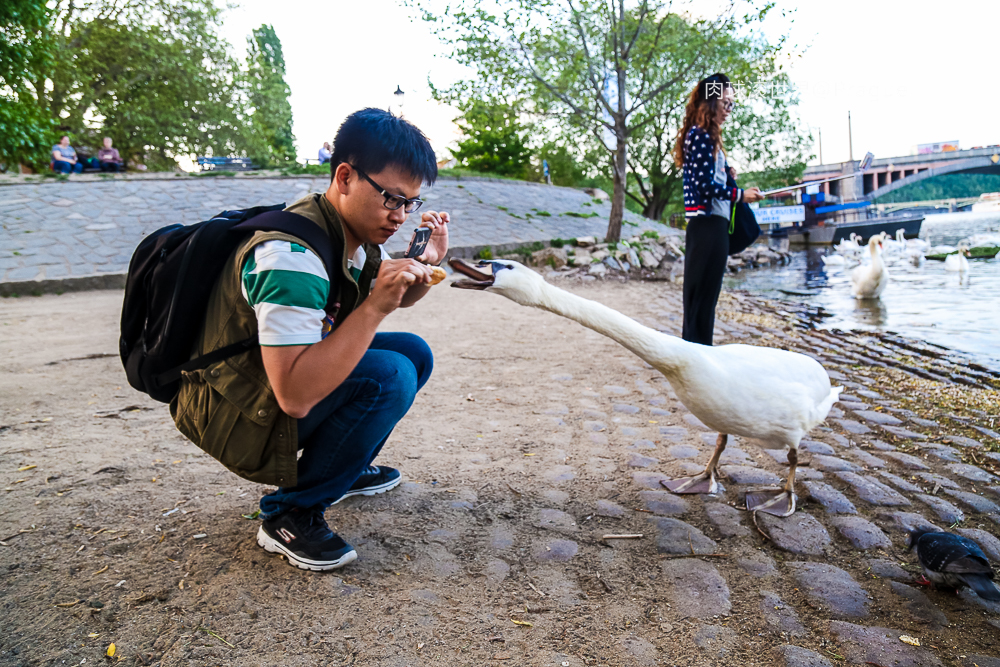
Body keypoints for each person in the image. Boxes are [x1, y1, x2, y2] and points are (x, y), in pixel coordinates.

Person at [170, 108, 449, 571]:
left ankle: (343, 467)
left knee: (412, 353)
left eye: (410, 203)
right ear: (345, 176)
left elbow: (395, 302)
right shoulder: (291, 258)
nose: (400, 216)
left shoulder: (349, 234)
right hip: (235, 415)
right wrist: (376, 305)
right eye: (391, 199)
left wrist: (427, 262)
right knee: (390, 375)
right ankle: (290, 514)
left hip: (258, 389)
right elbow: (296, 395)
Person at [674, 73, 763, 345]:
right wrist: (740, 195)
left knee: (701, 303)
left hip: (708, 227)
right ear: (710, 103)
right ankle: (697, 363)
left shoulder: (700, 136)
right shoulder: (700, 135)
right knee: (701, 302)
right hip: (708, 227)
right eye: (726, 103)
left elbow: (706, 179)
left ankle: (696, 360)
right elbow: (703, 187)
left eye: (731, 104)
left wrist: (725, 172)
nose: (728, 110)